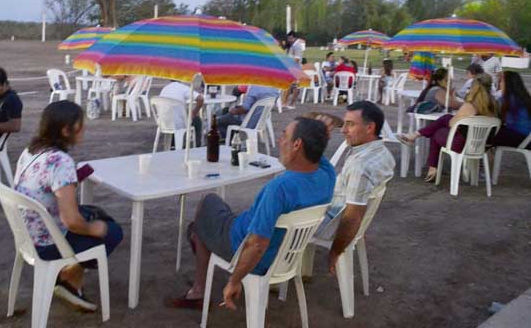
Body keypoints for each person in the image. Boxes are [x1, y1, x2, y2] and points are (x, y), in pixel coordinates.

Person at [166, 117, 335, 309]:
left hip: (243, 247)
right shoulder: (327, 176)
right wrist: (319, 137)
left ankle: (198, 290)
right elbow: (317, 155)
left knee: (207, 202)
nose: (280, 141)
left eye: (284, 135)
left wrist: (234, 280)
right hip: (284, 256)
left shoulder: (280, 188)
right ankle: (200, 240)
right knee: (207, 222)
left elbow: (256, 245)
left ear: (297, 144)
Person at [14, 101, 123, 312]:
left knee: (95, 213)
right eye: (80, 125)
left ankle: (69, 277)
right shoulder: (61, 161)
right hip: (48, 243)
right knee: (113, 231)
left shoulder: (31, 151)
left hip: (29, 234)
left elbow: (44, 186)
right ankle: (67, 278)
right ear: (66, 130)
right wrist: (97, 229)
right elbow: (71, 221)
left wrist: (71, 183)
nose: (84, 129)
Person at [312, 101, 395, 274]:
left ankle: (274, 271)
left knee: (280, 213)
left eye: (350, 124)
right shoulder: (383, 153)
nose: (342, 130)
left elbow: (352, 217)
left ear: (370, 127)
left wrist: (335, 251)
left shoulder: (360, 166)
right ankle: (300, 268)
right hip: (337, 208)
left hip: (330, 222)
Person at [398, 73, 498, 182]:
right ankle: (429, 162)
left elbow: (452, 124)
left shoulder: (469, 106)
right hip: (482, 145)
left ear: (474, 88)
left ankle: (432, 166)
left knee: (440, 127)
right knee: (444, 122)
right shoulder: (495, 105)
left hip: (462, 144)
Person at [491, 71, 531, 148]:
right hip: (528, 138)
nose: (499, 84)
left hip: (520, 138)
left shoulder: (507, 100)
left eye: (501, 82)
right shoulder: (525, 97)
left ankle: (487, 158)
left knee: (484, 134)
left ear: (508, 83)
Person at [159, 80, 204, 146]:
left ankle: (173, 143)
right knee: (197, 120)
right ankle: (197, 147)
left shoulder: (165, 89)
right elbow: (201, 99)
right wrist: (193, 113)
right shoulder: (182, 88)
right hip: (178, 124)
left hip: (163, 122)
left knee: (176, 114)